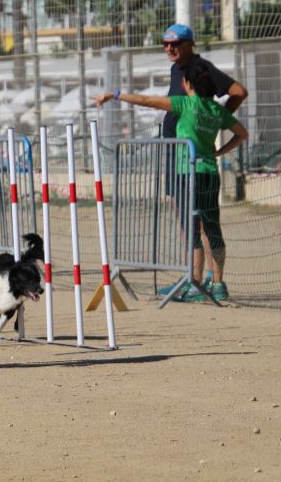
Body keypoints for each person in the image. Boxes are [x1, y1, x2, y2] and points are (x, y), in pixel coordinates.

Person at [94, 58, 248, 301]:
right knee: (212, 227)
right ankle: (218, 284)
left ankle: (194, 283)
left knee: (191, 229)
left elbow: (146, 101)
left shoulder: (186, 104)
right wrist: (220, 151)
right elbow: (242, 134)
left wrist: (115, 94)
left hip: (187, 174)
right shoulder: (217, 109)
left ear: (187, 83)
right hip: (210, 173)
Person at [160, 23, 248, 294]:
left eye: (175, 44)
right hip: (177, 155)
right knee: (188, 217)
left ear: (190, 44)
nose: (170, 48)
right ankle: (200, 278)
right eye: (165, 44)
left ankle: (201, 280)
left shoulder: (201, 68)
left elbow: (238, 92)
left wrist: (216, 118)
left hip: (194, 159)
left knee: (199, 220)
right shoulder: (177, 69)